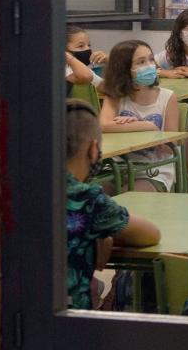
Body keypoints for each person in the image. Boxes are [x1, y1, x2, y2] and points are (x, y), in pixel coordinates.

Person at [65, 99, 159, 310]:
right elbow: (150, 234)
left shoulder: (27, 187)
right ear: (93, 149)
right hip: (69, 321)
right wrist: (105, 232)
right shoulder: (87, 199)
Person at [99, 40, 180, 192]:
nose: (149, 65)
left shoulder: (168, 97)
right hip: (116, 168)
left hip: (153, 171)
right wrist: (146, 125)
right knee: (88, 198)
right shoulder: (115, 96)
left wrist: (136, 128)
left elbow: (171, 147)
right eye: (141, 62)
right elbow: (103, 125)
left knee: (125, 201)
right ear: (124, 69)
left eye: (150, 59)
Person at [64, 24, 106, 90]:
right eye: (81, 46)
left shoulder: (83, 69)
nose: (87, 49)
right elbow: (86, 76)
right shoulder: (61, 69)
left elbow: (109, 88)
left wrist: (110, 60)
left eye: (89, 45)